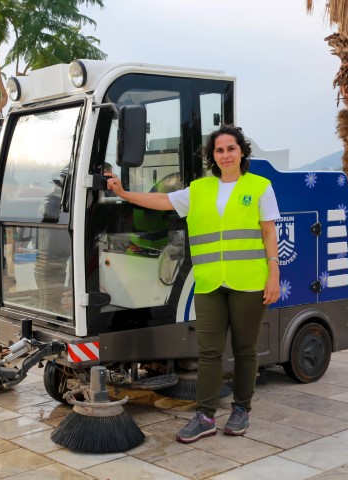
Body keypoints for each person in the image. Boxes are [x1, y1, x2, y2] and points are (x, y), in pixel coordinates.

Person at [106, 125, 281, 443]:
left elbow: (269, 233)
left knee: (245, 350)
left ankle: (241, 409)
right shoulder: (199, 189)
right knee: (208, 352)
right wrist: (124, 194)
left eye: (231, 148)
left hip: (249, 281)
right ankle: (205, 416)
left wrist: (274, 275)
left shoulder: (260, 187)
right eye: (219, 150)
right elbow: (162, 200)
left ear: (242, 151)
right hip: (209, 283)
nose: (225, 155)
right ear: (213, 156)